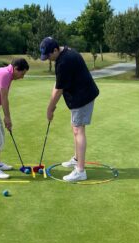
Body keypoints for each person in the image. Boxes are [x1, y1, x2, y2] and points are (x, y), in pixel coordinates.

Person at [40, 37, 99, 182]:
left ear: (55, 50)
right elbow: (58, 83)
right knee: (75, 128)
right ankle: (77, 159)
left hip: (82, 97)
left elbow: (59, 90)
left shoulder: (64, 61)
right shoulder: (66, 52)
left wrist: (50, 109)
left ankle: (80, 171)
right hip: (81, 94)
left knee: (79, 130)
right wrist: (51, 106)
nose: (48, 59)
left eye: (49, 55)